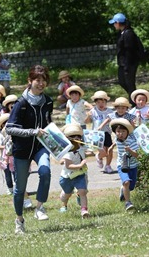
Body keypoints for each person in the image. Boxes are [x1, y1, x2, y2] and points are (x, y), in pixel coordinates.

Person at [6, 65, 53, 234]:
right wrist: (32, 132)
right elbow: (10, 128)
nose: (41, 84)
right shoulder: (21, 103)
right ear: (30, 81)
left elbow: (48, 124)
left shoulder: (48, 101)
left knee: (45, 171)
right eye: (37, 80)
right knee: (20, 189)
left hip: (40, 147)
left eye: (44, 80)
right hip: (21, 150)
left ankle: (40, 208)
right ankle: (19, 220)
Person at [109, 13, 142, 105]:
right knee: (122, 81)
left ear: (118, 23)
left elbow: (129, 51)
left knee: (130, 83)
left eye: (114, 23)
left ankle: (135, 102)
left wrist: (127, 65)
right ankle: (135, 97)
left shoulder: (129, 34)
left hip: (129, 63)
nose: (114, 25)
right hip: (122, 63)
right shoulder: (121, 33)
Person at [58, 124, 90, 218]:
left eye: (78, 136)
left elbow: (88, 152)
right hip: (67, 177)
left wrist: (96, 150)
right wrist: (80, 165)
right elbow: (68, 166)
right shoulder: (67, 152)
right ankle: (64, 204)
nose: (76, 138)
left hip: (79, 175)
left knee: (83, 191)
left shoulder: (82, 148)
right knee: (66, 194)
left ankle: (84, 210)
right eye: (73, 136)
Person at [109, 118, 139, 211]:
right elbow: (114, 143)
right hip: (122, 165)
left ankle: (123, 190)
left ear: (127, 132)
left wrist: (130, 150)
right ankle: (128, 203)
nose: (120, 134)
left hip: (133, 165)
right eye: (118, 131)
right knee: (126, 182)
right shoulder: (117, 139)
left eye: (123, 131)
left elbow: (137, 155)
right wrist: (111, 148)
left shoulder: (131, 141)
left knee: (131, 186)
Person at [86, 91, 115, 174]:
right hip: (96, 134)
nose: (101, 104)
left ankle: (108, 165)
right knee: (103, 152)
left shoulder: (109, 111)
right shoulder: (93, 111)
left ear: (106, 102)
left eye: (103, 102)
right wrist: (88, 115)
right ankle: (99, 156)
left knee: (109, 150)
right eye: (98, 102)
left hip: (107, 133)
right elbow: (87, 122)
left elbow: (111, 119)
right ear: (95, 103)